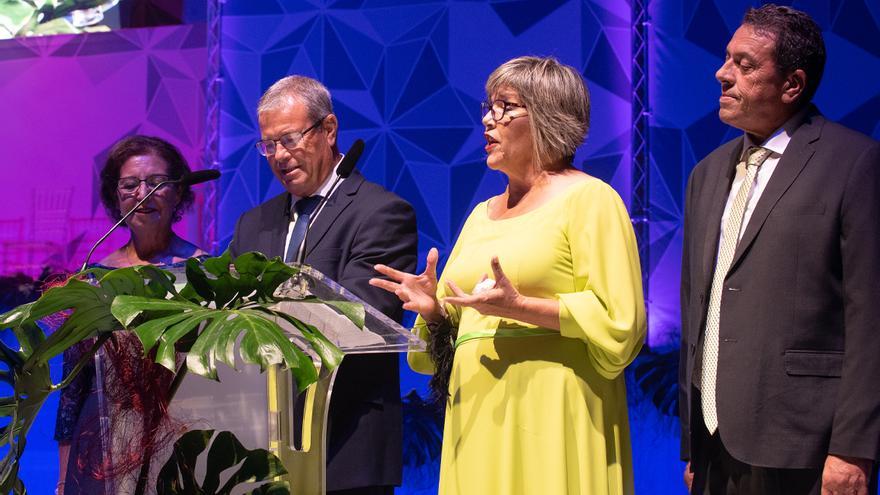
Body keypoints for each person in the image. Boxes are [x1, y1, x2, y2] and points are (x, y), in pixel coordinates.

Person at [371, 56, 646, 494]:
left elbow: (619, 322)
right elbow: (456, 331)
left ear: (548, 118)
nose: (487, 119)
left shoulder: (591, 199)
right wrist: (435, 313)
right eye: (488, 106)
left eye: (504, 107)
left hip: (553, 408)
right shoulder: (482, 215)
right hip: (476, 412)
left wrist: (522, 308)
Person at [679, 5, 880, 494]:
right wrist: (692, 445)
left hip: (805, 446)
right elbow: (697, 308)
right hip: (714, 446)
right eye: (727, 59)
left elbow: (871, 315)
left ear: (792, 84)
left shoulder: (853, 163)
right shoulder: (706, 172)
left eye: (744, 65)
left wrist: (853, 448)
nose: (722, 74)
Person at [228, 75, 418, 495]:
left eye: (290, 139)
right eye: (268, 145)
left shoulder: (381, 213)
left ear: (329, 130)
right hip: (259, 448)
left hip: (346, 446)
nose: (279, 155)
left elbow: (364, 316)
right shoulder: (252, 224)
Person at [55, 135, 208, 494]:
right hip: (101, 450)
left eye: (157, 183)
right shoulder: (93, 279)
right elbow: (73, 390)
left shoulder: (208, 273)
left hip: (182, 443)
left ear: (178, 193)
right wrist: (63, 480)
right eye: (130, 185)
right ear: (116, 195)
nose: (143, 194)